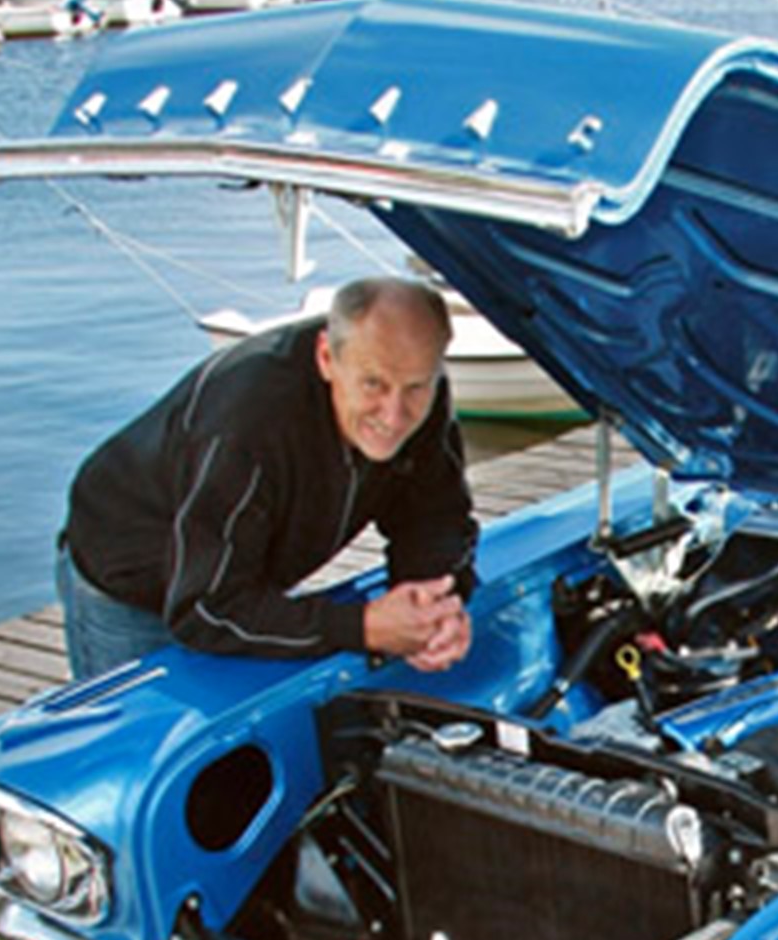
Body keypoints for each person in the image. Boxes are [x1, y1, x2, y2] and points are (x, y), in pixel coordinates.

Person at [56, 275, 478, 681]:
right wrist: (362, 626)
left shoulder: (417, 387)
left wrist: (433, 605)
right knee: (142, 745)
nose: (394, 414)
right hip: (131, 577)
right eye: (373, 385)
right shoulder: (245, 425)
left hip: (238, 567)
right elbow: (206, 610)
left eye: (416, 387)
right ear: (326, 358)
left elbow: (434, 517)